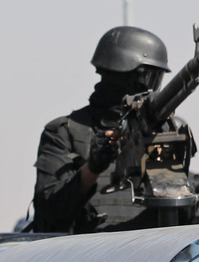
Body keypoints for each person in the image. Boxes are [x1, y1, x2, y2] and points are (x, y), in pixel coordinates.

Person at [31, 25, 171, 234]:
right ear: (127, 77)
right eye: (150, 78)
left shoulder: (165, 131)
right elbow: (51, 211)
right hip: (84, 260)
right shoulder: (64, 132)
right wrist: (92, 168)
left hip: (151, 258)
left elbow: (178, 214)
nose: (153, 89)